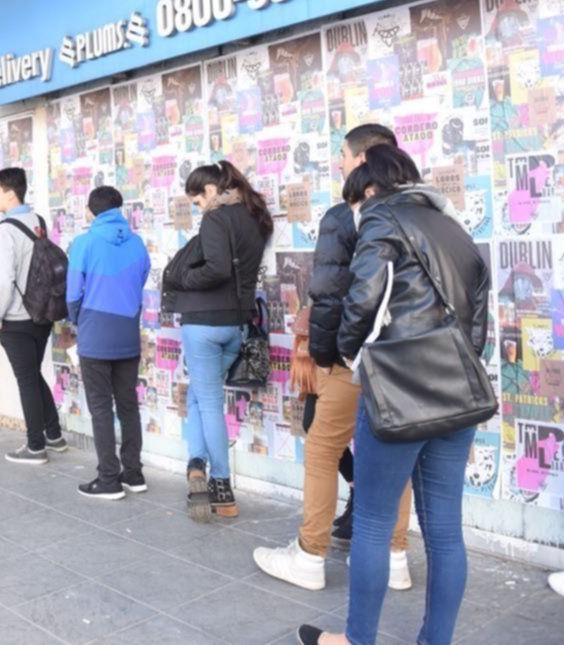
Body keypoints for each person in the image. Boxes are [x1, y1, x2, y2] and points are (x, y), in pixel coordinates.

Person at [297, 144, 490, 645]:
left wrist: (349, 353)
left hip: (398, 392)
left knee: (373, 522)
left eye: (354, 204)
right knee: (445, 532)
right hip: (457, 396)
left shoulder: (381, 218)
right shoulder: (452, 225)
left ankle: (357, 640)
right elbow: (478, 323)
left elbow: (362, 301)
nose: (354, 216)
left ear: (369, 189)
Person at [255, 124, 414, 592]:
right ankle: (396, 557)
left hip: (354, 357)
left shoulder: (345, 216)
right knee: (394, 458)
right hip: (405, 360)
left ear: (363, 160)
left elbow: (328, 295)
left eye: (342, 154)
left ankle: (309, 556)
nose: (338, 163)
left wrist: (325, 357)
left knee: (323, 450)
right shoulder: (420, 211)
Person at [163, 160, 271, 521]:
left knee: (209, 402)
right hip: (235, 325)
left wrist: (183, 280)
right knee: (199, 395)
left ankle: (221, 485)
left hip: (204, 324)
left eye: (197, 201)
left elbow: (217, 268)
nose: (199, 208)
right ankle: (196, 465)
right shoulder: (254, 217)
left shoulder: (216, 218)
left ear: (210, 190)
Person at [65, 186, 151, 498]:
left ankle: (108, 479)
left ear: (90, 211)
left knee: (101, 407)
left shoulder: (84, 243)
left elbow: (73, 293)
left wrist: (78, 319)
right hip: (127, 332)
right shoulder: (137, 243)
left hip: (95, 334)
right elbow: (141, 280)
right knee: (128, 405)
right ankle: (134, 474)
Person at [0, 168, 69, 466]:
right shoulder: (38, 221)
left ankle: (35, 446)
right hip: (42, 313)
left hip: (16, 318)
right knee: (33, 374)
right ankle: (54, 435)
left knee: (26, 380)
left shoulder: (5, 230)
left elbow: (3, 280)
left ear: (11, 194)